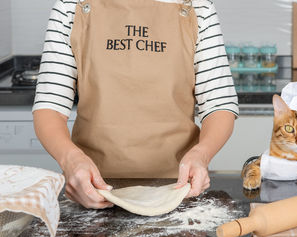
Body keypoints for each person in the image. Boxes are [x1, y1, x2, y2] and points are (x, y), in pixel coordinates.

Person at [32, 0, 238, 209]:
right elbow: (50, 106)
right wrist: (71, 161)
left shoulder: (198, 8)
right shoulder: (71, 6)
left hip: (177, 189)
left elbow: (219, 105)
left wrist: (202, 154)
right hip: (91, 186)